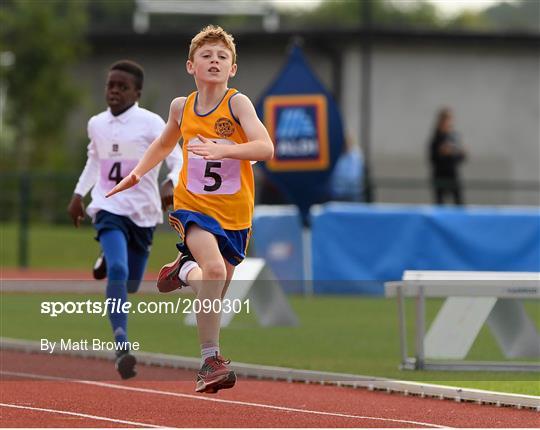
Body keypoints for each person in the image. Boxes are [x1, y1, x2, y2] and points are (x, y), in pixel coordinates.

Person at [106, 25, 274, 393]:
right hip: (193, 207)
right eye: (206, 56)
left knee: (214, 283)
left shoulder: (237, 103)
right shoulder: (181, 108)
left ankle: (184, 271)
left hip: (235, 214)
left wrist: (225, 149)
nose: (214, 61)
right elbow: (164, 146)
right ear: (190, 66)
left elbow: (265, 148)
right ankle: (210, 361)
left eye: (222, 57)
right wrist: (136, 175)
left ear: (232, 68)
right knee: (214, 269)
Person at [67, 60, 182, 379]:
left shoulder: (151, 123)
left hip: (143, 213)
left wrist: (172, 180)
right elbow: (95, 159)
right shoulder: (97, 124)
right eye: (110, 85)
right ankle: (122, 346)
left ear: (137, 92)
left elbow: (178, 157)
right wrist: (79, 195)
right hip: (108, 206)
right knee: (118, 270)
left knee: (130, 284)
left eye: (122, 86)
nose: (114, 91)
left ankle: (108, 256)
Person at [429, 107, 466, 205]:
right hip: (440, 175)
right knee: (440, 203)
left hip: (452, 175)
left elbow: (459, 158)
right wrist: (441, 153)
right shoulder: (436, 138)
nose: (448, 122)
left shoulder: (454, 137)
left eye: (449, 119)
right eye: (446, 119)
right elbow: (432, 159)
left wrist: (461, 153)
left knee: (459, 202)